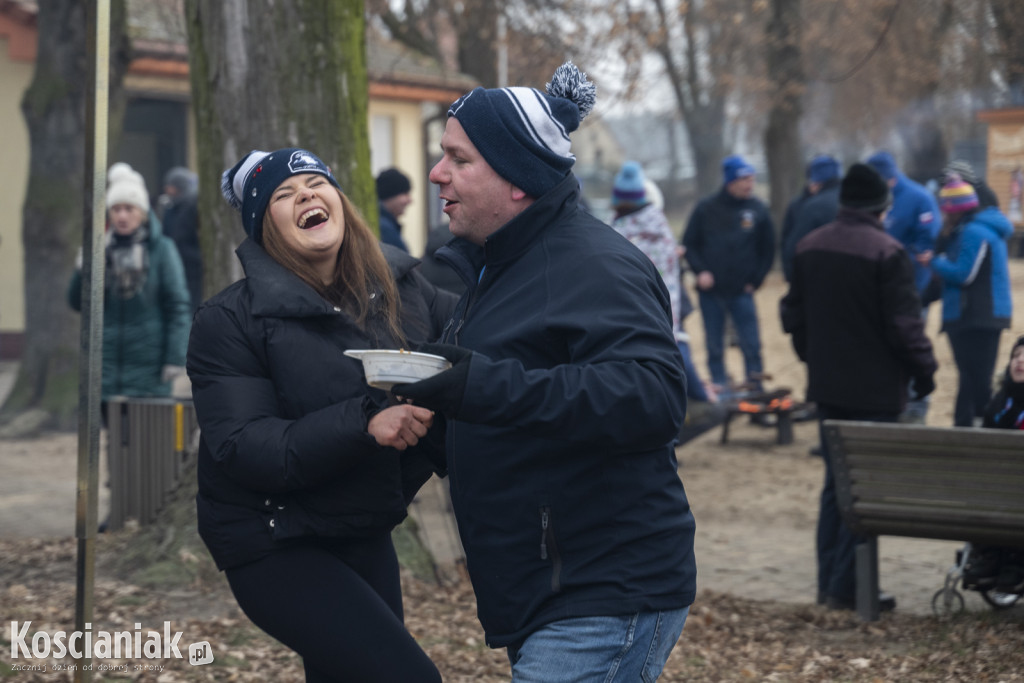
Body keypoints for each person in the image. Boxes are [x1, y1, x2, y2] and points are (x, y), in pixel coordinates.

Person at [392, 62, 696, 680]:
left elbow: (653, 395)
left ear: (519, 180)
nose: (436, 173)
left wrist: (477, 385)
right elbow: (511, 410)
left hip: (604, 591)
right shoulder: (494, 267)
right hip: (548, 589)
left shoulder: (596, 266)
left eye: (459, 159)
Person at [186, 148, 455, 682]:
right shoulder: (228, 321)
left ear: (340, 202)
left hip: (361, 523)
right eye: (284, 195)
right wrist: (366, 422)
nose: (305, 194)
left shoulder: (403, 290)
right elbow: (245, 446)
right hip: (273, 536)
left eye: (315, 183)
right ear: (266, 228)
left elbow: (483, 343)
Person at [780, 162, 938, 612]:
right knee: (865, 488)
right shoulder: (888, 253)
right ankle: (849, 588)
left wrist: (815, 356)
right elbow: (905, 327)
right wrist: (925, 374)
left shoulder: (810, 247)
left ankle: (831, 585)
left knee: (836, 485)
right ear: (882, 207)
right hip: (876, 393)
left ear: (844, 203)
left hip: (829, 387)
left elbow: (792, 315)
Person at [67, 162, 192, 416]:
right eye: (116, 209)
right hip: (105, 368)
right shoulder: (100, 249)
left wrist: (175, 357)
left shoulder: (162, 250)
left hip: (150, 369)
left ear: (142, 212)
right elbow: (77, 303)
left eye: (129, 208)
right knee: (111, 444)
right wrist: (82, 271)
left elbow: (178, 306)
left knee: (145, 441)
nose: (122, 216)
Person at [610, 160, 713, 405]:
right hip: (659, 302)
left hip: (645, 302)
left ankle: (691, 397)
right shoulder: (652, 223)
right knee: (670, 346)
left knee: (669, 348)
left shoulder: (632, 228)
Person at [682, 153, 775, 392]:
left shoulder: (757, 210)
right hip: (711, 293)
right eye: (744, 179)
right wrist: (700, 271)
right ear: (730, 181)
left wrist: (756, 280)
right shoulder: (705, 208)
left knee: (751, 345)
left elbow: (768, 249)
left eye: (752, 179)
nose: (750, 184)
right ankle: (721, 397)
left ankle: (756, 394)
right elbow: (689, 244)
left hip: (742, 292)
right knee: (715, 347)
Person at [926, 178, 1013, 427]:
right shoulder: (971, 231)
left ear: (954, 210)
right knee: (970, 378)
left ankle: (983, 428)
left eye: (945, 208)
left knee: (978, 380)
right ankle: (965, 425)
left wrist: (934, 261)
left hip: (977, 315)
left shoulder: (974, 232)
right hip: (976, 315)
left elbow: (964, 273)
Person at [866, 151, 941, 424]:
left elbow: (927, 242)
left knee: (910, 345)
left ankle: (915, 407)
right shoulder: (873, 199)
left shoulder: (919, 198)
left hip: (913, 289)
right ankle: (890, 403)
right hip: (878, 292)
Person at [781, 154, 842, 282]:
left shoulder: (811, 207)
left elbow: (792, 247)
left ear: (815, 182)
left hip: (816, 281)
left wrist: (793, 280)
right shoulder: (856, 202)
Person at [160, 166, 203, 314]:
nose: (167, 189)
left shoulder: (192, 206)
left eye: (171, 186)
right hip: (177, 261)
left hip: (191, 265)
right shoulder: (170, 207)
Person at [375, 167, 412, 252]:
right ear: (389, 195)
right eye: (405, 193)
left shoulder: (385, 224)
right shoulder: (384, 228)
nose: (410, 200)